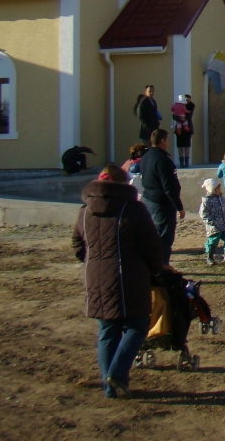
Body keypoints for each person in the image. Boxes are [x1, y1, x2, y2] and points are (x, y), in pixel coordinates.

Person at [71, 165, 162, 399]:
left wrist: (93, 262)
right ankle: (118, 373)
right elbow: (151, 245)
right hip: (129, 275)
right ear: (124, 184)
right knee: (137, 325)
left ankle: (109, 387)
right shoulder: (133, 209)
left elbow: (77, 245)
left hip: (95, 277)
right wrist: (155, 269)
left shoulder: (85, 211)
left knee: (108, 329)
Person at [139, 129, 184, 264]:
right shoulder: (163, 160)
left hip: (148, 199)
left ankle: (152, 264)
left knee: (152, 234)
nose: (168, 142)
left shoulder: (146, 157)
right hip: (162, 203)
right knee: (164, 238)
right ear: (162, 141)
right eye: (167, 139)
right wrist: (179, 207)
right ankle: (161, 267)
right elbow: (169, 187)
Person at [199, 178, 225, 265]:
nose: (220, 190)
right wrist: (211, 221)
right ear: (212, 189)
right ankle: (210, 257)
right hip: (214, 226)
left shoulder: (222, 199)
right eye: (218, 188)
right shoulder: (207, 201)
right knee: (213, 241)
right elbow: (203, 213)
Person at [173, 94, 195, 169]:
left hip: (187, 128)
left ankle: (186, 161)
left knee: (187, 145)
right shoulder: (178, 105)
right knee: (180, 145)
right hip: (179, 128)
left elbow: (189, 115)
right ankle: (181, 162)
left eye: (188, 99)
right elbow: (174, 115)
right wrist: (179, 118)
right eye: (186, 99)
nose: (187, 100)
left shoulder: (191, 106)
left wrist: (184, 118)